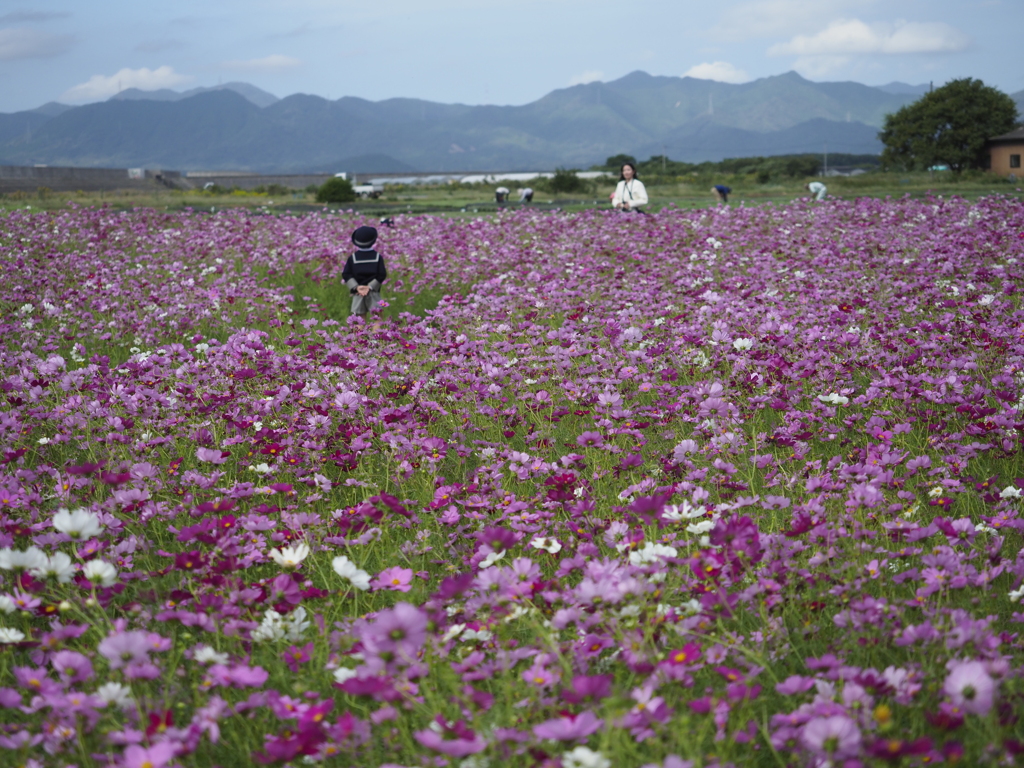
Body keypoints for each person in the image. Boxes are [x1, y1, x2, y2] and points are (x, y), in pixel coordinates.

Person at [342, 225, 387, 317]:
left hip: (359, 293)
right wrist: (370, 287)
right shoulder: (377, 257)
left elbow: (346, 274)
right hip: (374, 292)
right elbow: (382, 274)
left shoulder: (353, 258)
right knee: (377, 318)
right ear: (374, 241)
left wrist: (357, 287)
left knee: (359, 319)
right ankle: (377, 332)